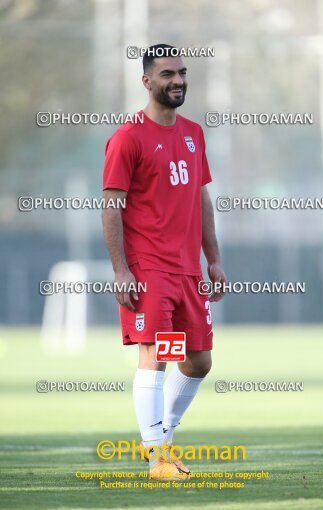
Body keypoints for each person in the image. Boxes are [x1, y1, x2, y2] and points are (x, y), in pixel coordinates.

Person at [102, 43, 227, 480]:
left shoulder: (193, 132)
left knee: (197, 361)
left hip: (188, 269)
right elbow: (112, 206)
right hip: (149, 268)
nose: (177, 81)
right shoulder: (127, 138)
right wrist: (121, 269)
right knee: (154, 353)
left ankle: (162, 439)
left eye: (182, 73)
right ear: (146, 81)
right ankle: (157, 458)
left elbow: (201, 196)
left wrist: (213, 259)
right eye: (167, 74)